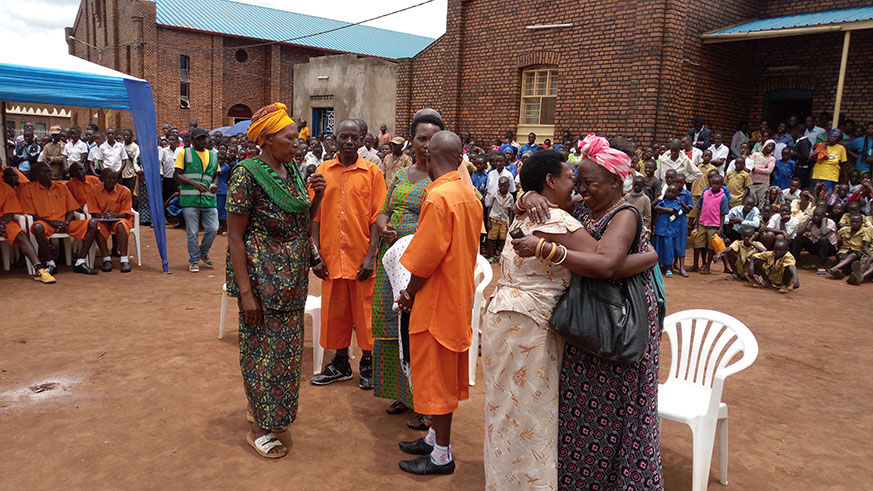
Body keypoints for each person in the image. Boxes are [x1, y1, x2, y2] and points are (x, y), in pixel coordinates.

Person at [483, 149, 657, 489]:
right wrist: (528, 194)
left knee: (612, 415)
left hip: (615, 325)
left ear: (616, 181)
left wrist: (648, 257)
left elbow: (605, 264)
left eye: (588, 183)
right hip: (573, 324)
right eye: (575, 181)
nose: (580, 189)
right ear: (552, 182)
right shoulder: (573, 213)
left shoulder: (624, 213)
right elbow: (589, 250)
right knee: (555, 415)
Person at [226, 103, 325, 459]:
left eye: (297, 136)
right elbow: (235, 238)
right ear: (267, 140)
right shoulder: (247, 174)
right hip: (262, 280)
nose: (297, 142)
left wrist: (319, 197)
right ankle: (258, 428)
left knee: (286, 352)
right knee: (262, 352)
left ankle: (270, 414)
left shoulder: (292, 171)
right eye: (289, 137)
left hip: (292, 282)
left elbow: (301, 222)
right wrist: (246, 293)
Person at [392, 130, 480, 476]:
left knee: (438, 381)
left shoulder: (439, 197)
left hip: (437, 303)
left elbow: (424, 260)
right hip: (457, 297)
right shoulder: (467, 193)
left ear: (428, 158)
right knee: (441, 376)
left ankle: (441, 455)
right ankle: (432, 438)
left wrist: (408, 293)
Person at [372, 113, 443, 423]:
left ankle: (424, 401)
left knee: (415, 329)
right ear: (411, 140)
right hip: (391, 259)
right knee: (391, 325)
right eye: (421, 138)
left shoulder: (445, 178)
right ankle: (402, 392)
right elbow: (384, 212)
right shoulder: (401, 176)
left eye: (433, 139)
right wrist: (385, 228)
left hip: (420, 266)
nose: (426, 145)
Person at [310, 119, 387, 389]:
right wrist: (315, 254)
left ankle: (368, 364)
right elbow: (314, 217)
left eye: (355, 137)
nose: (350, 142)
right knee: (335, 313)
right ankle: (340, 363)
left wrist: (371, 256)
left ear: (363, 138)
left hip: (360, 257)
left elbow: (378, 218)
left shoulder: (372, 173)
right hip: (331, 257)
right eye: (344, 137)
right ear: (335, 138)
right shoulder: (322, 172)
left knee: (366, 314)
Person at [20, 162, 99, 275]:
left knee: (92, 223)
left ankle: (80, 262)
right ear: (36, 175)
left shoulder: (61, 187)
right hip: (46, 224)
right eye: (45, 172)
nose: (49, 174)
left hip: (65, 224)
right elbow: (31, 215)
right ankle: (50, 263)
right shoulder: (28, 190)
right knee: (37, 227)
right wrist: (53, 223)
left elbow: (72, 209)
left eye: (49, 171)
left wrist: (66, 222)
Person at [174, 127, 219, 273]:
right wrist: (193, 183)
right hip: (190, 198)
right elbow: (177, 175)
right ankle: (194, 260)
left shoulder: (213, 155)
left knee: (213, 228)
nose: (202, 141)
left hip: (209, 198)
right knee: (192, 232)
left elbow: (216, 175)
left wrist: (214, 185)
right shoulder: (184, 153)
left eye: (204, 138)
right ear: (192, 140)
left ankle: (203, 251)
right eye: (199, 138)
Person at [0, 179, 55, 283]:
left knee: (20, 234)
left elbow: (9, 211)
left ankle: (39, 269)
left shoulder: (5, 188)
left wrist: (3, 224)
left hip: (3, 222)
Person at [86, 168, 134, 273]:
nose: (111, 181)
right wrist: (105, 216)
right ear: (102, 178)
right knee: (97, 227)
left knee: (121, 226)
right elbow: (93, 212)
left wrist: (114, 215)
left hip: (119, 218)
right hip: (102, 219)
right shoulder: (93, 190)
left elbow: (126, 213)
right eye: (108, 178)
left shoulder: (125, 191)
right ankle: (106, 259)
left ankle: (124, 260)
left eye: (114, 178)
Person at [692, 172, 729, 274]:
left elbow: (723, 214)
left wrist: (720, 228)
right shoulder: (705, 194)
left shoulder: (723, 197)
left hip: (714, 225)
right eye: (713, 183)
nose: (715, 186)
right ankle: (695, 265)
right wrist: (696, 223)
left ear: (721, 185)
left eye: (717, 184)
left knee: (711, 247)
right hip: (702, 223)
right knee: (697, 244)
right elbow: (699, 208)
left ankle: (707, 266)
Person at [792, 205, 837, 275]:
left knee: (823, 239)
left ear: (824, 216)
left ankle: (821, 265)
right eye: (814, 215)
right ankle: (794, 263)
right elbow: (799, 232)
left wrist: (823, 221)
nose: (816, 217)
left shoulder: (830, 222)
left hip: (829, 249)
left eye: (818, 216)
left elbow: (824, 233)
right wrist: (808, 220)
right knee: (798, 238)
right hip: (816, 246)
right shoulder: (812, 223)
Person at [654, 183, 685, 277]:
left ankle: (668, 267)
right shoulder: (663, 201)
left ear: (676, 194)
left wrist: (663, 210)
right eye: (668, 191)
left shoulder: (677, 202)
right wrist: (666, 210)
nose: (670, 194)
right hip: (660, 229)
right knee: (658, 248)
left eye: (673, 192)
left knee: (669, 249)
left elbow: (673, 211)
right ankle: (658, 266)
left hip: (670, 230)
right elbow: (656, 208)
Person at [828, 213, 870, 279]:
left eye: (856, 222)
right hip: (845, 250)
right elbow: (839, 241)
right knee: (842, 258)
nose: (854, 223)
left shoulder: (866, 231)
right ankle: (839, 272)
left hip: (859, 251)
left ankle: (835, 268)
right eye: (852, 222)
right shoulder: (844, 230)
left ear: (862, 223)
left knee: (853, 255)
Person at [483, 176, 514, 261]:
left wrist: (510, 223)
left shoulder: (510, 197)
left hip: (504, 221)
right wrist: (488, 221)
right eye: (500, 185)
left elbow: (511, 211)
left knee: (503, 239)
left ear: (508, 185)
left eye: (504, 185)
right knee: (491, 239)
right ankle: (491, 255)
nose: (502, 187)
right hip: (494, 220)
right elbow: (489, 207)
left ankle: (501, 256)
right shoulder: (494, 195)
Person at [748, 139, 776, 204]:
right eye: (769, 146)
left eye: (772, 147)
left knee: (761, 203)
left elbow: (769, 171)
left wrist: (756, 169)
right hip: (752, 182)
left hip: (763, 184)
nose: (770, 148)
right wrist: (763, 167)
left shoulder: (772, 159)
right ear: (765, 145)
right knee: (752, 202)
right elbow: (750, 166)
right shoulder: (755, 155)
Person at [160, 128, 183, 204]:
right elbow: (161, 163)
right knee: (167, 197)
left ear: (177, 141)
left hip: (178, 179)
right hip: (167, 178)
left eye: (173, 140)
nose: (171, 142)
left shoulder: (180, 151)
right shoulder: (164, 151)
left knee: (177, 197)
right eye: (169, 140)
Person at [216, 149, 231, 235]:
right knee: (216, 209)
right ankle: (218, 228)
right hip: (215, 190)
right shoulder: (217, 165)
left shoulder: (226, 166)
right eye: (218, 159)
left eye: (221, 159)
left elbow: (217, 171)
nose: (219, 161)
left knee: (222, 210)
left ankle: (225, 229)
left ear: (225, 159)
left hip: (222, 190)